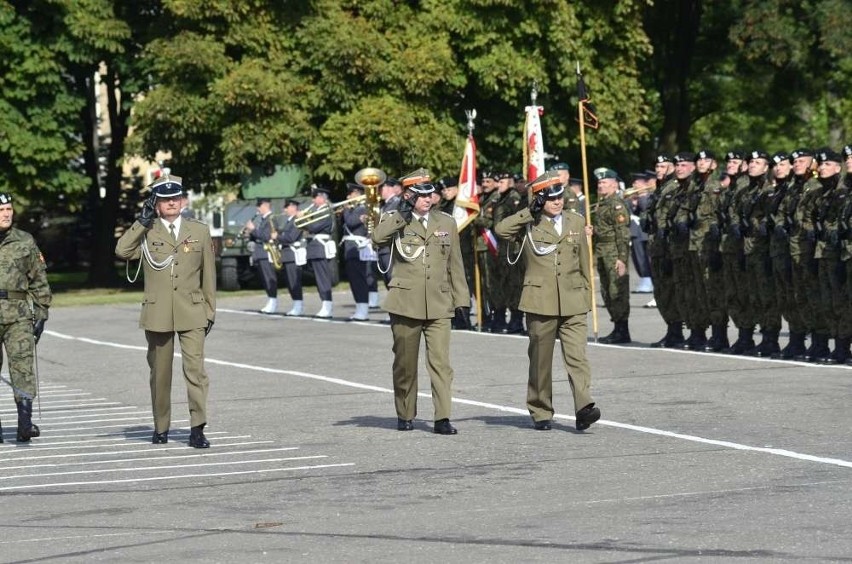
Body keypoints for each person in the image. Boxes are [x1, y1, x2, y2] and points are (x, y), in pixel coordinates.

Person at [115, 173, 216, 448]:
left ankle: (198, 428)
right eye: (164, 199)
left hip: (192, 311)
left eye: (175, 198)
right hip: (158, 313)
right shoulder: (148, 231)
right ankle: (161, 426)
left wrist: (210, 311)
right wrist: (141, 221)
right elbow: (122, 251)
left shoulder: (199, 231)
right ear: (155, 203)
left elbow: (209, 274)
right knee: (160, 374)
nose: (171, 203)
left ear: (183, 200)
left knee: (195, 372)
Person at [494, 172, 600, 432]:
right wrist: (528, 213)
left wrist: (587, 295)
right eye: (550, 198)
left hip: (573, 299)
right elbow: (500, 230)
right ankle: (541, 409)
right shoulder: (530, 223)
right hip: (540, 300)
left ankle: (584, 407)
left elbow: (583, 262)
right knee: (541, 360)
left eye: (559, 196)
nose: (557, 202)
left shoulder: (576, 221)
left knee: (578, 357)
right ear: (540, 198)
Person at [371, 169, 469, 434]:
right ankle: (405, 412)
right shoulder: (394, 218)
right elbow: (377, 239)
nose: (428, 199)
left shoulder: (445, 222)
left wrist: (462, 301)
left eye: (430, 194)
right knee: (405, 364)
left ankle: (442, 418)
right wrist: (402, 215)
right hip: (405, 302)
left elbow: (455, 264)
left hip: (439, 302)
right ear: (408, 195)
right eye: (421, 195)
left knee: (441, 364)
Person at [0, 192, 51, 443]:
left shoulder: (25, 241)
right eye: (1, 210)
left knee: (23, 367)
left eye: (9, 208)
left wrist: (42, 311)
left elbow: (38, 278)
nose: (7, 213)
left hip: (18, 314)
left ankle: (24, 423)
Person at [592, 167, 632, 343]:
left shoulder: (617, 205)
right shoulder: (602, 204)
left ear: (614, 185)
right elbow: (603, 229)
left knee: (617, 290)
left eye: (605, 183)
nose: (601, 186)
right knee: (607, 291)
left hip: (613, 252)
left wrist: (622, 259)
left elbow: (623, 234)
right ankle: (616, 325)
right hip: (602, 252)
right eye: (599, 183)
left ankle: (622, 329)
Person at [299, 186, 336, 318]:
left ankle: (328, 306)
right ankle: (325, 304)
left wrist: (303, 219)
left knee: (323, 279)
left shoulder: (325, 211)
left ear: (321, 198)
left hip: (320, 248)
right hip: (315, 248)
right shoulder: (318, 211)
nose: (313, 200)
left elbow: (314, 227)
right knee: (319, 278)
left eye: (315, 197)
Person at [341, 183, 372, 320]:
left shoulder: (363, 208)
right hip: (350, 249)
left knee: (359, 280)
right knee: (354, 280)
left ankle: (363, 309)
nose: (348, 196)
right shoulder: (355, 208)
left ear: (358, 193)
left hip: (358, 248)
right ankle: (359, 307)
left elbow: (350, 222)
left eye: (351, 193)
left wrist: (346, 210)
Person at [245, 198, 279, 314]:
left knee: (269, 278)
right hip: (260, 253)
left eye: (259, 206)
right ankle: (270, 300)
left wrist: (253, 229)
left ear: (265, 206)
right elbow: (259, 236)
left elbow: (266, 236)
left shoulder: (271, 219)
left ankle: (273, 301)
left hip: (267, 252)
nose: (258, 209)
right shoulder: (264, 219)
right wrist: (250, 233)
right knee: (265, 278)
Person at [277, 199, 306, 316]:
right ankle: (296, 304)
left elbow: (291, 237)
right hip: (287, 255)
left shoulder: (297, 220)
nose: (285, 210)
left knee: (294, 281)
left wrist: (277, 237)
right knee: (290, 281)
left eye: (287, 207)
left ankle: (298, 306)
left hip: (293, 254)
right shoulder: (290, 221)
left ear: (293, 208)